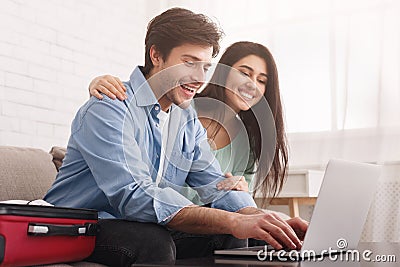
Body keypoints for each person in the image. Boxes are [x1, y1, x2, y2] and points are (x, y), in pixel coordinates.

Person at [45, 8, 307, 266]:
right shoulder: (109, 107)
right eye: (189, 63)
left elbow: (213, 182)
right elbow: (134, 195)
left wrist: (259, 217)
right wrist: (233, 220)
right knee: (154, 241)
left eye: (205, 67)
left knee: (247, 236)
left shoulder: (186, 118)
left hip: (136, 224)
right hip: (80, 226)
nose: (198, 78)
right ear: (156, 55)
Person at [90, 41, 288, 205]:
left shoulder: (247, 145)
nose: (252, 84)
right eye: (244, 73)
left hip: (202, 223)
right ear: (223, 72)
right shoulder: (181, 105)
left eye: (262, 80)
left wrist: (241, 194)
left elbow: (231, 199)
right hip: (156, 213)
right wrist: (100, 84)